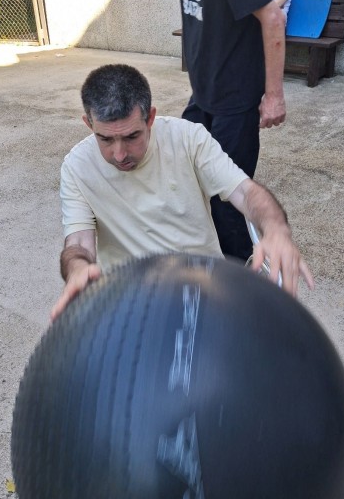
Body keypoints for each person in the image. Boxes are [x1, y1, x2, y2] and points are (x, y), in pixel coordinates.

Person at [51, 64, 313, 320]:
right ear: (89, 124)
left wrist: (276, 230)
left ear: (150, 118)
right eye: (105, 139)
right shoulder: (77, 166)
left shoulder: (188, 138)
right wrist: (78, 269)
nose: (119, 154)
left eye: (132, 137)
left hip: (206, 289)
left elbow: (245, 192)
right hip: (131, 301)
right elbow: (79, 243)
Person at [132, 0, 286, 263]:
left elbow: (272, 17)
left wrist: (273, 95)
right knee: (180, 182)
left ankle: (244, 284)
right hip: (204, 97)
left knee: (227, 204)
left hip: (235, 101)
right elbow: (197, 15)